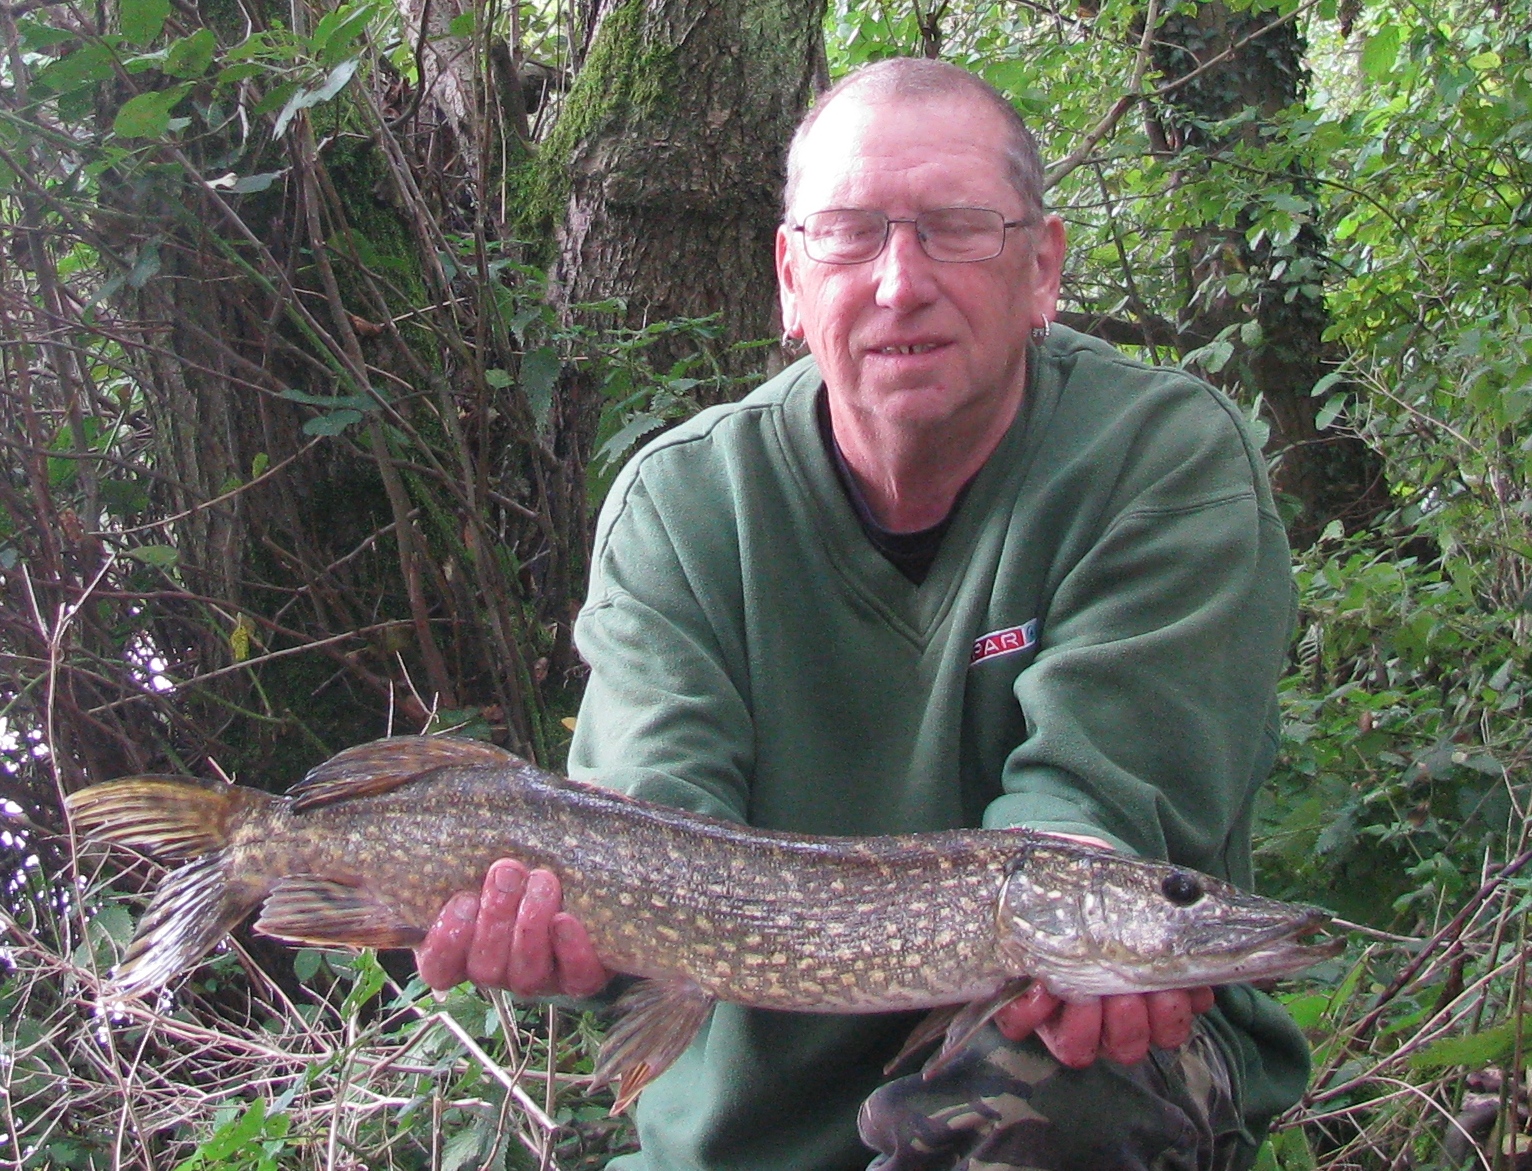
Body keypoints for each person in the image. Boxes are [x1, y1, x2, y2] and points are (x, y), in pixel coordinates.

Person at [416, 58, 1308, 1171]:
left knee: (1061, 1090)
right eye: (848, 235)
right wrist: (564, 931)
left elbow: (1093, 805)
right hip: (744, 1143)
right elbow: (648, 821)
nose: (898, 282)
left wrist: (1115, 889)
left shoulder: (1159, 462)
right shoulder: (682, 503)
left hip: (1053, 1083)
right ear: (790, 280)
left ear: (1042, 268)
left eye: (955, 229)